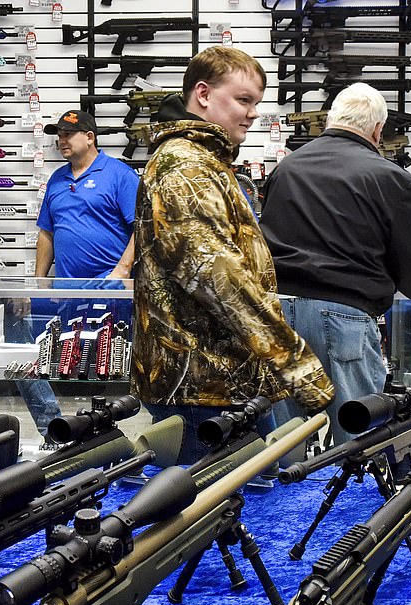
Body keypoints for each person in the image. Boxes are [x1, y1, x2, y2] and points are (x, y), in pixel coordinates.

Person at [132, 46, 335, 464]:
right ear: (203, 94)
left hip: (218, 383)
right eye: (244, 100)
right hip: (201, 390)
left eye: (255, 103)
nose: (253, 113)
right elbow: (218, 277)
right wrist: (297, 365)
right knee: (209, 518)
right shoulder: (185, 167)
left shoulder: (204, 163)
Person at [259, 82, 411, 446]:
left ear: (330, 120)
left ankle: (287, 502)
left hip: (278, 312)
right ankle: (353, 504)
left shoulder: (287, 168)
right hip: (345, 316)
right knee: (357, 439)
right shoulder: (390, 177)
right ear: (377, 130)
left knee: (282, 445)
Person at [36, 109, 139, 284]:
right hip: (66, 291)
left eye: (68, 134)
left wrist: (122, 271)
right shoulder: (56, 179)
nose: (62, 141)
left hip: (109, 287)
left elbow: (142, 229)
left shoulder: (120, 175)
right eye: (59, 136)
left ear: (90, 137)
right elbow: (47, 233)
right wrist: (37, 283)